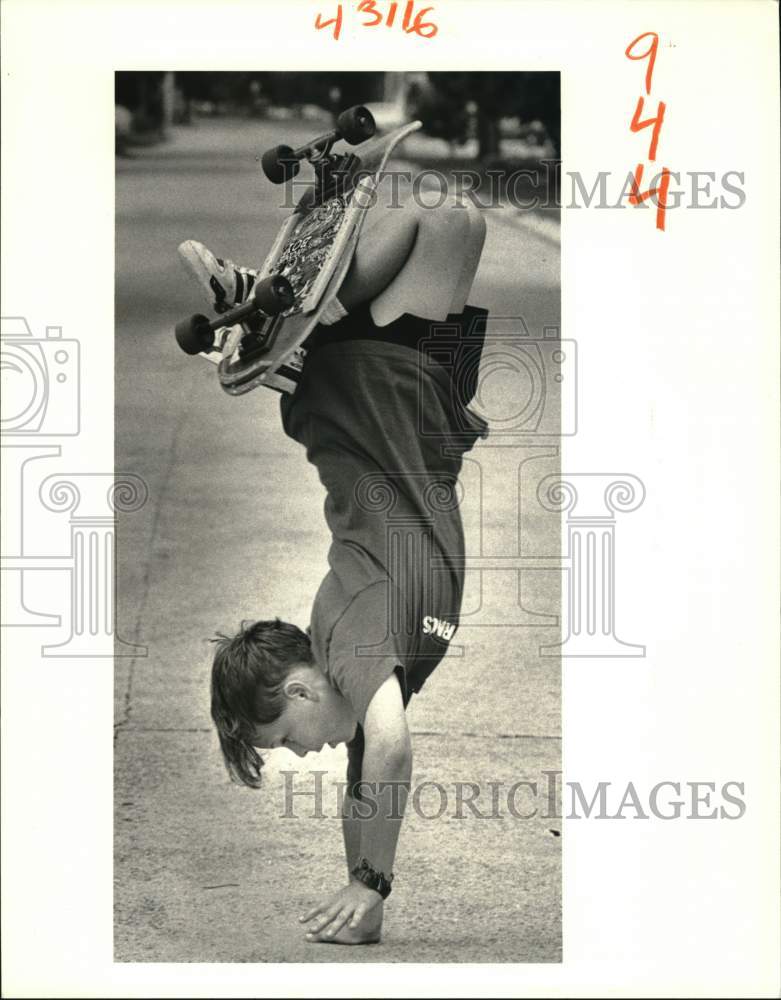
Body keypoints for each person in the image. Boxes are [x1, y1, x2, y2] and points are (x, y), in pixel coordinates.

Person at [181, 180, 488, 945]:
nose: (302, 753)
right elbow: (363, 771)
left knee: (444, 211)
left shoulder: (351, 640)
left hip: (380, 398)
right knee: (454, 221)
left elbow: (387, 748)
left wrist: (370, 883)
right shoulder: (346, 648)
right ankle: (295, 312)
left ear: (299, 682)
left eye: (284, 736)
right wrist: (362, 905)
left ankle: (272, 302)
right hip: (405, 414)